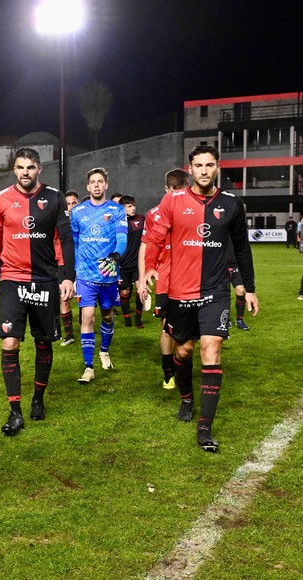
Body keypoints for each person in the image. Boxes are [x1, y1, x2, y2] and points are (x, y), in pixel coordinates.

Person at [139, 145, 259, 453]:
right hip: (180, 290)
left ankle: (205, 427)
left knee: (211, 347)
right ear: (189, 169)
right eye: (198, 165)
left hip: (215, 290)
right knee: (184, 350)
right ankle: (186, 397)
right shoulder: (173, 200)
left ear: (218, 167)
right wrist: (150, 266)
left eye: (209, 165)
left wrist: (249, 287)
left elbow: (242, 248)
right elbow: (154, 237)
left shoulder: (232, 204)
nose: (204, 170)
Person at [0, 147, 75, 434]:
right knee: (9, 343)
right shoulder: (1, 199)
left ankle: (38, 399)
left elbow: (67, 239)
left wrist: (67, 277)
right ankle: (15, 411)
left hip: (45, 280)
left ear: (39, 169)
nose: (25, 172)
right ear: (14, 169)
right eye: (20, 167)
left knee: (43, 342)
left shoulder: (55, 198)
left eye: (31, 167)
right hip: (12, 280)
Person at [69, 168, 127, 383]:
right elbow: (74, 243)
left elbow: (122, 237)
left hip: (108, 270)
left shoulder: (117, 210)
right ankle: (88, 367)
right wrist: (74, 269)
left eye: (100, 181)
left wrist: (116, 254)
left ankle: (104, 350)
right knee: (87, 318)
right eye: (92, 182)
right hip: (85, 273)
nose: (96, 185)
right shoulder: (78, 212)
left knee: (108, 316)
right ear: (87, 186)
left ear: (106, 185)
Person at [138, 168, 190, 390]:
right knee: (165, 326)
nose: (178, 197)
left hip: (190, 279)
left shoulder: (193, 210)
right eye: (173, 192)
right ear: (166, 190)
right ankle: (168, 372)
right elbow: (146, 246)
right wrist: (142, 278)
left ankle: (183, 366)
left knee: (190, 329)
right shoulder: (154, 214)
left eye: (182, 191)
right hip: (165, 280)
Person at [118, 195, 146, 328]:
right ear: (122, 208)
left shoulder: (141, 220)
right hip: (123, 265)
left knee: (141, 290)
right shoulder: (117, 222)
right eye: (129, 206)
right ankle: (127, 318)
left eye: (134, 205)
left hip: (138, 264)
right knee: (124, 293)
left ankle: (138, 318)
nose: (133, 208)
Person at [60, 191, 80, 345]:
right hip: (65, 266)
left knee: (85, 301)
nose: (71, 206)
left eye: (74, 203)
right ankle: (69, 335)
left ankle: (83, 323)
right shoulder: (59, 222)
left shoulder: (84, 220)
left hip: (83, 265)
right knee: (64, 299)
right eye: (68, 203)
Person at [226, 252, 250, 330]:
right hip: (221, 265)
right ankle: (226, 319)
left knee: (241, 291)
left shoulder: (237, 239)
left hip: (235, 265)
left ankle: (240, 320)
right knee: (224, 292)